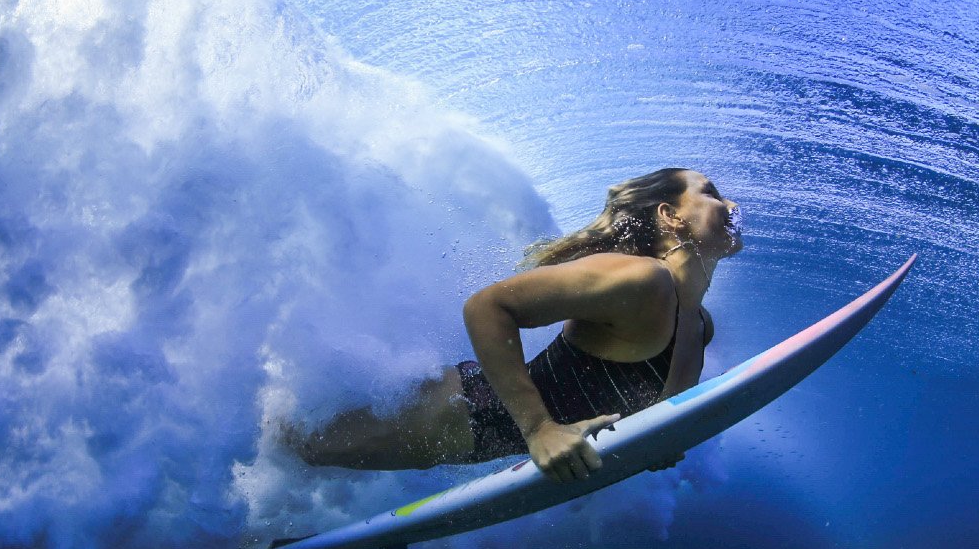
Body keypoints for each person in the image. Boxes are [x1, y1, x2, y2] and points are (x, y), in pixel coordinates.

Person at [285, 167, 741, 482]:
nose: (730, 203)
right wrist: (540, 429)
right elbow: (487, 306)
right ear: (671, 215)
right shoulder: (642, 280)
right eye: (711, 191)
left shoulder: (698, 327)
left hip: (472, 442)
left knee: (312, 456)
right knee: (298, 446)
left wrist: (656, 447)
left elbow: (658, 416)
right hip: (459, 408)